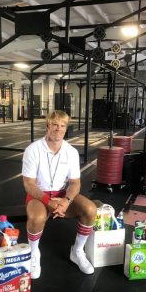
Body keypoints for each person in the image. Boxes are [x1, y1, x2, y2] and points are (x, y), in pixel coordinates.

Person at [22, 110, 97, 279]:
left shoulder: (71, 152)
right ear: (48, 125)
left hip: (63, 195)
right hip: (38, 195)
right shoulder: (32, 150)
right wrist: (49, 201)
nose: (59, 129)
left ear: (66, 128)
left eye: (63, 126)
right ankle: (34, 254)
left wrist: (66, 200)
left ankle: (77, 251)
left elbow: (75, 183)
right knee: (36, 218)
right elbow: (29, 184)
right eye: (55, 125)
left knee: (91, 210)